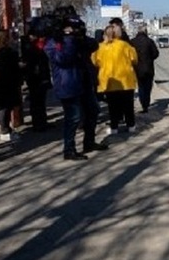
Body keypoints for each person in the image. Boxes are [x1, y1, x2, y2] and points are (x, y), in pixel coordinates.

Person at [44, 13, 108, 160]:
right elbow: (62, 59)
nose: (75, 30)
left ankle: (89, 142)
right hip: (67, 84)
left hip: (83, 81)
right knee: (73, 117)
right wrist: (69, 39)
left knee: (93, 110)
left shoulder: (76, 40)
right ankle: (69, 149)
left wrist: (79, 37)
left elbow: (93, 44)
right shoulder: (54, 42)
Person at [92, 24, 138, 134]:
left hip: (109, 81)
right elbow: (134, 59)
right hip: (126, 79)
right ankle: (131, 126)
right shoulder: (125, 45)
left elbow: (95, 62)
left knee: (112, 106)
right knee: (128, 105)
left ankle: (114, 128)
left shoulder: (100, 47)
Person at [0, 29, 24, 142]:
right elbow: (13, 67)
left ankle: (6, 129)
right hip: (8, 83)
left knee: (5, 107)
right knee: (6, 107)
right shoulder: (8, 52)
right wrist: (19, 67)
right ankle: (5, 130)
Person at [21, 28, 52, 131]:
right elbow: (34, 62)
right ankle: (38, 123)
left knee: (40, 101)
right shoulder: (30, 46)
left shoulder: (33, 46)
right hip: (36, 77)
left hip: (38, 76)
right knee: (36, 101)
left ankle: (42, 121)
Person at [129, 24, 159, 113]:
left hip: (137, 69)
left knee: (141, 86)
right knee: (148, 87)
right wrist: (150, 59)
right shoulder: (149, 41)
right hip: (149, 68)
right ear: (145, 32)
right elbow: (156, 54)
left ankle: (143, 104)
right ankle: (146, 103)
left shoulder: (132, 42)